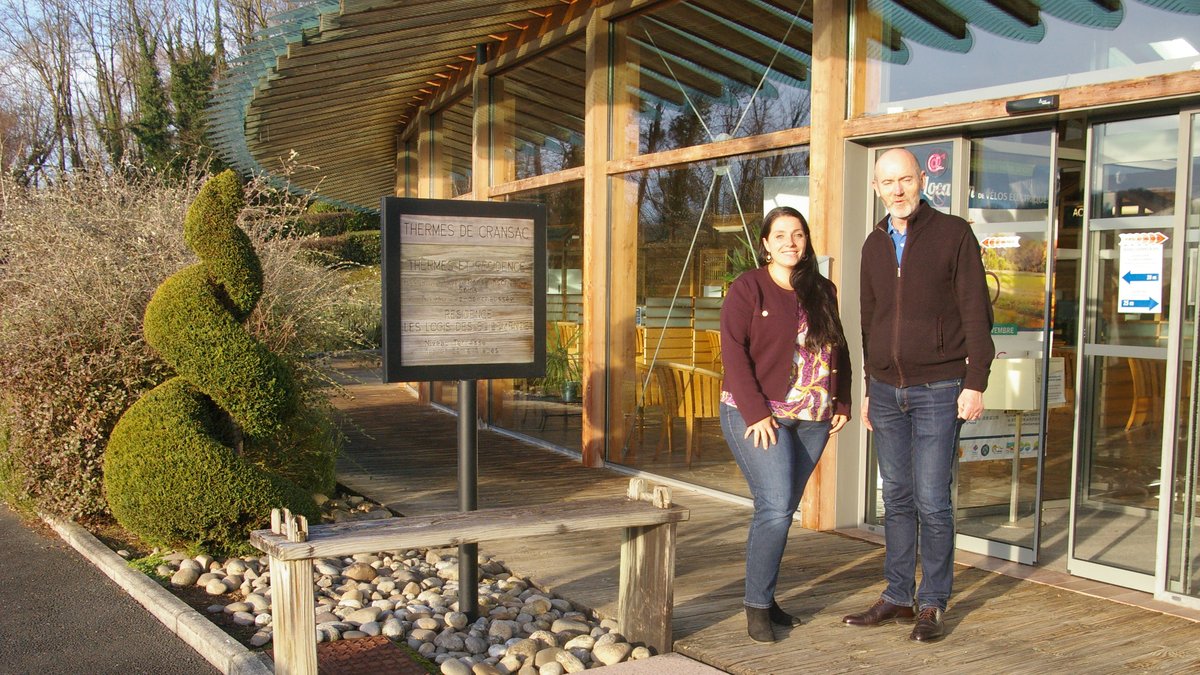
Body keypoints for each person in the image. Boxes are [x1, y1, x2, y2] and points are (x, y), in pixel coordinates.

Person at [843, 147, 995, 642]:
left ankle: (931, 602)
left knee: (932, 500)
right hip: (886, 391)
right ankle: (895, 596)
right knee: (898, 498)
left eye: (906, 179)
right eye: (889, 183)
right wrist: (867, 387)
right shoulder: (872, 245)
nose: (899, 190)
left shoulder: (954, 235)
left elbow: (977, 314)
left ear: (921, 181)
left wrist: (975, 382)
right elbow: (868, 322)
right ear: (877, 189)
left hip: (939, 387)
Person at [719, 205, 852, 643]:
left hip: (813, 418)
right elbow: (733, 352)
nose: (790, 242)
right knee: (775, 508)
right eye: (780, 235)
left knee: (779, 512)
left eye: (797, 234)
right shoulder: (748, 287)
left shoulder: (823, 289)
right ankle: (756, 607)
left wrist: (843, 400)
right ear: (765, 244)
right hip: (758, 415)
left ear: (806, 241)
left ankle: (766, 596)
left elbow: (840, 348)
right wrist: (757, 413)